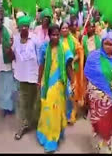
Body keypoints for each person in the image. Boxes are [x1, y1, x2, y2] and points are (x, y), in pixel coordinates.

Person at [36, 24, 74, 153]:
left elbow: (69, 67)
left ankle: (52, 140)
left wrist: (73, 82)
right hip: (46, 83)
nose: (56, 37)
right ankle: (45, 134)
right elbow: (41, 65)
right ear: (49, 35)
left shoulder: (64, 48)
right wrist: (38, 81)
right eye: (53, 35)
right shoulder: (44, 48)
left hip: (59, 84)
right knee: (46, 110)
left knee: (55, 111)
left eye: (58, 35)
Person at [12, 16, 40, 140]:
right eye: (22, 26)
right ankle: (23, 125)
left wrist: (41, 76)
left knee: (35, 102)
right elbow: (12, 56)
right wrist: (8, 48)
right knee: (23, 102)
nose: (24, 28)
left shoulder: (35, 39)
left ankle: (35, 123)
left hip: (34, 76)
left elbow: (40, 58)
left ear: (29, 27)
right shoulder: (15, 39)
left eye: (26, 26)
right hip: (21, 76)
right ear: (18, 27)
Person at [59, 20, 82, 125]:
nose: (65, 30)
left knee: (71, 92)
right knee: (62, 92)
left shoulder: (73, 40)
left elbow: (80, 52)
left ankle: (72, 114)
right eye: (62, 28)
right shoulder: (57, 40)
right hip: (60, 70)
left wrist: (73, 60)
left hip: (71, 70)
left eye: (66, 28)